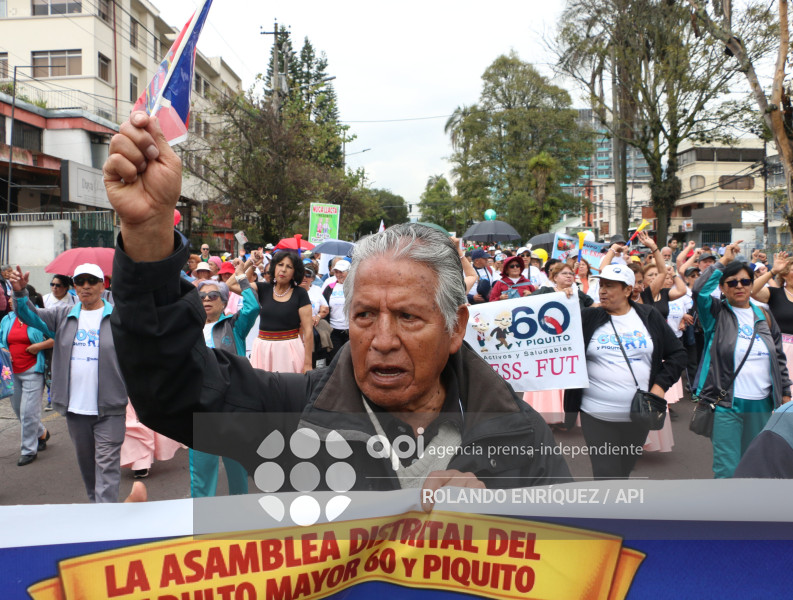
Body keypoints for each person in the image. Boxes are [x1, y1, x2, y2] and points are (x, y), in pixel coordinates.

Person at [102, 111, 571, 496]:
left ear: (454, 327)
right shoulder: (292, 417)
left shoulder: (519, 436)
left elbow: (575, 562)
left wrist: (502, 526)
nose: (382, 340)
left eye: (408, 317)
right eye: (365, 315)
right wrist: (148, 235)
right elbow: (173, 390)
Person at [10, 263, 128, 502]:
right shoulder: (63, 314)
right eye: (80, 281)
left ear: (102, 284)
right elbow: (29, 315)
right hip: (76, 409)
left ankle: (107, 522)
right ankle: (97, 506)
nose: (86, 286)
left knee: (107, 467)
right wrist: (21, 293)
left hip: (111, 408)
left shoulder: (119, 317)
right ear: (74, 286)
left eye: (91, 281)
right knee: (88, 468)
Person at [564, 264, 686, 479]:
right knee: (606, 474)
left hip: (638, 415)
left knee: (624, 470)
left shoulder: (649, 316)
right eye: (601, 285)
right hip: (596, 413)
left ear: (628, 290)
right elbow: (555, 329)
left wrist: (658, 388)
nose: (602, 291)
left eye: (609, 286)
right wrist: (559, 299)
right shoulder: (588, 318)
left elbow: (678, 354)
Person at [692, 241, 791, 478]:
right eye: (732, 283)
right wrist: (723, 260)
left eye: (745, 281)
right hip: (727, 404)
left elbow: (778, 357)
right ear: (723, 288)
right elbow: (698, 291)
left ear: (751, 285)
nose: (739, 286)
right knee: (727, 469)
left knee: (754, 466)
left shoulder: (763, 315)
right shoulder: (716, 314)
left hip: (762, 405)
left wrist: (785, 393)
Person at [190, 277, 259, 497]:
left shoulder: (234, 325)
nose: (206, 300)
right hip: (199, 408)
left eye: (213, 296)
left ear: (224, 302)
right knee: (201, 474)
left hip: (231, 408)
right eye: (201, 297)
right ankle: (201, 523)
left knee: (237, 469)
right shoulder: (188, 329)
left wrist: (241, 280)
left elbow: (254, 307)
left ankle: (238, 518)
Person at [0, 300, 54, 465]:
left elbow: (55, 337)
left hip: (33, 370)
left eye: (15, 298)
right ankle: (42, 433)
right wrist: (3, 349)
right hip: (10, 372)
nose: (11, 301)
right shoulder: (7, 318)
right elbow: (2, 340)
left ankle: (28, 450)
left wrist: (38, 346)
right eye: (10, 298)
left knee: (28, 412)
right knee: (18, 410)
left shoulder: (38, 316)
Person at [249, 250, 313, 374]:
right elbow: (231, 285)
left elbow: (308, 331)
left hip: (289, 351)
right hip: (262, 350)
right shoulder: (262, 288)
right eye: (280, 264)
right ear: (274, 267)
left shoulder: (300, 293)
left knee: (288, 391)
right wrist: (251, 262)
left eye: (289, 267)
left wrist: (308, 364)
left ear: (295, 273)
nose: (283, 270)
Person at [751, 251, 793, 373]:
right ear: (784, 274)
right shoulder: (776, 293)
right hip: (781, 349)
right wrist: (772, 271)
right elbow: (751, 290)